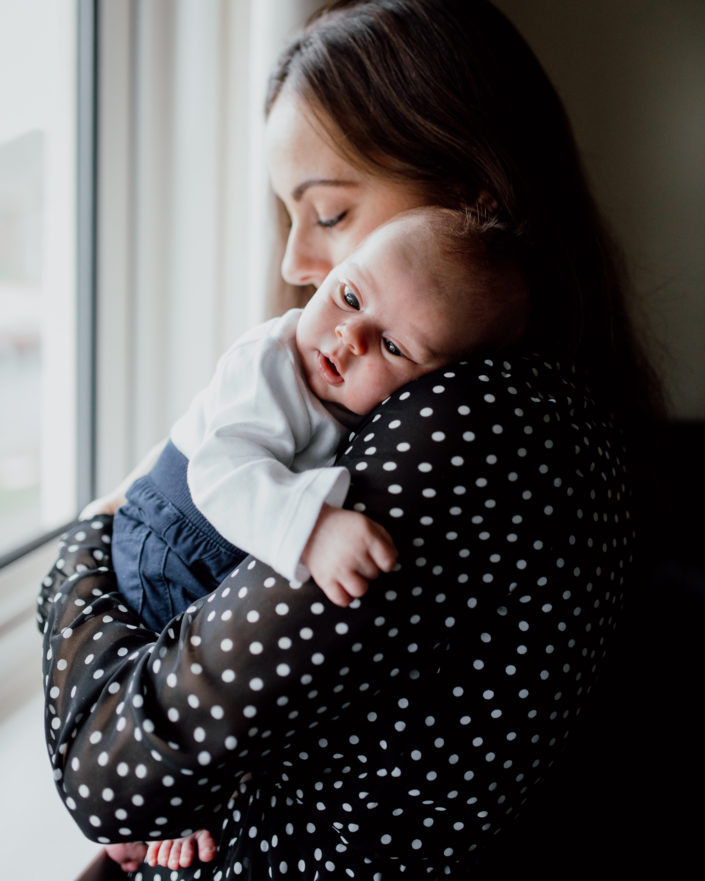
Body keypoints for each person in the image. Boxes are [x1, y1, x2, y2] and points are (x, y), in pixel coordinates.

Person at [37, 1, 665, 878]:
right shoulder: (547, 407)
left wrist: (78, 550)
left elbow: (113, 781)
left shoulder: (470, 428)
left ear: (470, 196)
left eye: (328, 214)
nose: (298, 262)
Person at [109, 204, 527, 636]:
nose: (351, 335)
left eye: (394, 347)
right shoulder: (270, 364)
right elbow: (219, 472)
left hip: (227, 546)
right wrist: (314, 530)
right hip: (172, 541)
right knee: (176, 674)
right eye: (349, 298)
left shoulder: (400, 419)